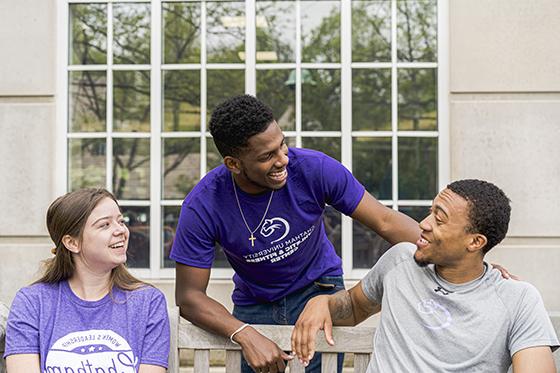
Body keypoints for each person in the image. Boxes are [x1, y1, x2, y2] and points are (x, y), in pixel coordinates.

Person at [170, 94, 420, 373]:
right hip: (255, 303)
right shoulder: (203, 204)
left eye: (282, 145)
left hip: (319, 289)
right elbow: (189, 296)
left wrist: (450, 252)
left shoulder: (315, 169)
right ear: (234, 164)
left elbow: (385, 221)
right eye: (267, 156)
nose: (282, 160)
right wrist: (244, 333)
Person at [291, 179, 559, 372]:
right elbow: (352, 307)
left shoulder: (518, 299)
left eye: (439, 219)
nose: (423, 223)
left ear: (475, 242)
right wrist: (323, 302)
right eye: (431, 211)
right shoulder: (400, 261)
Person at [4, 189, 170, 373]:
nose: (121, 230)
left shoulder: (148, 302)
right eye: (105, 225)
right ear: (72, 243)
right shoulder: (32, 303)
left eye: (121, 221)